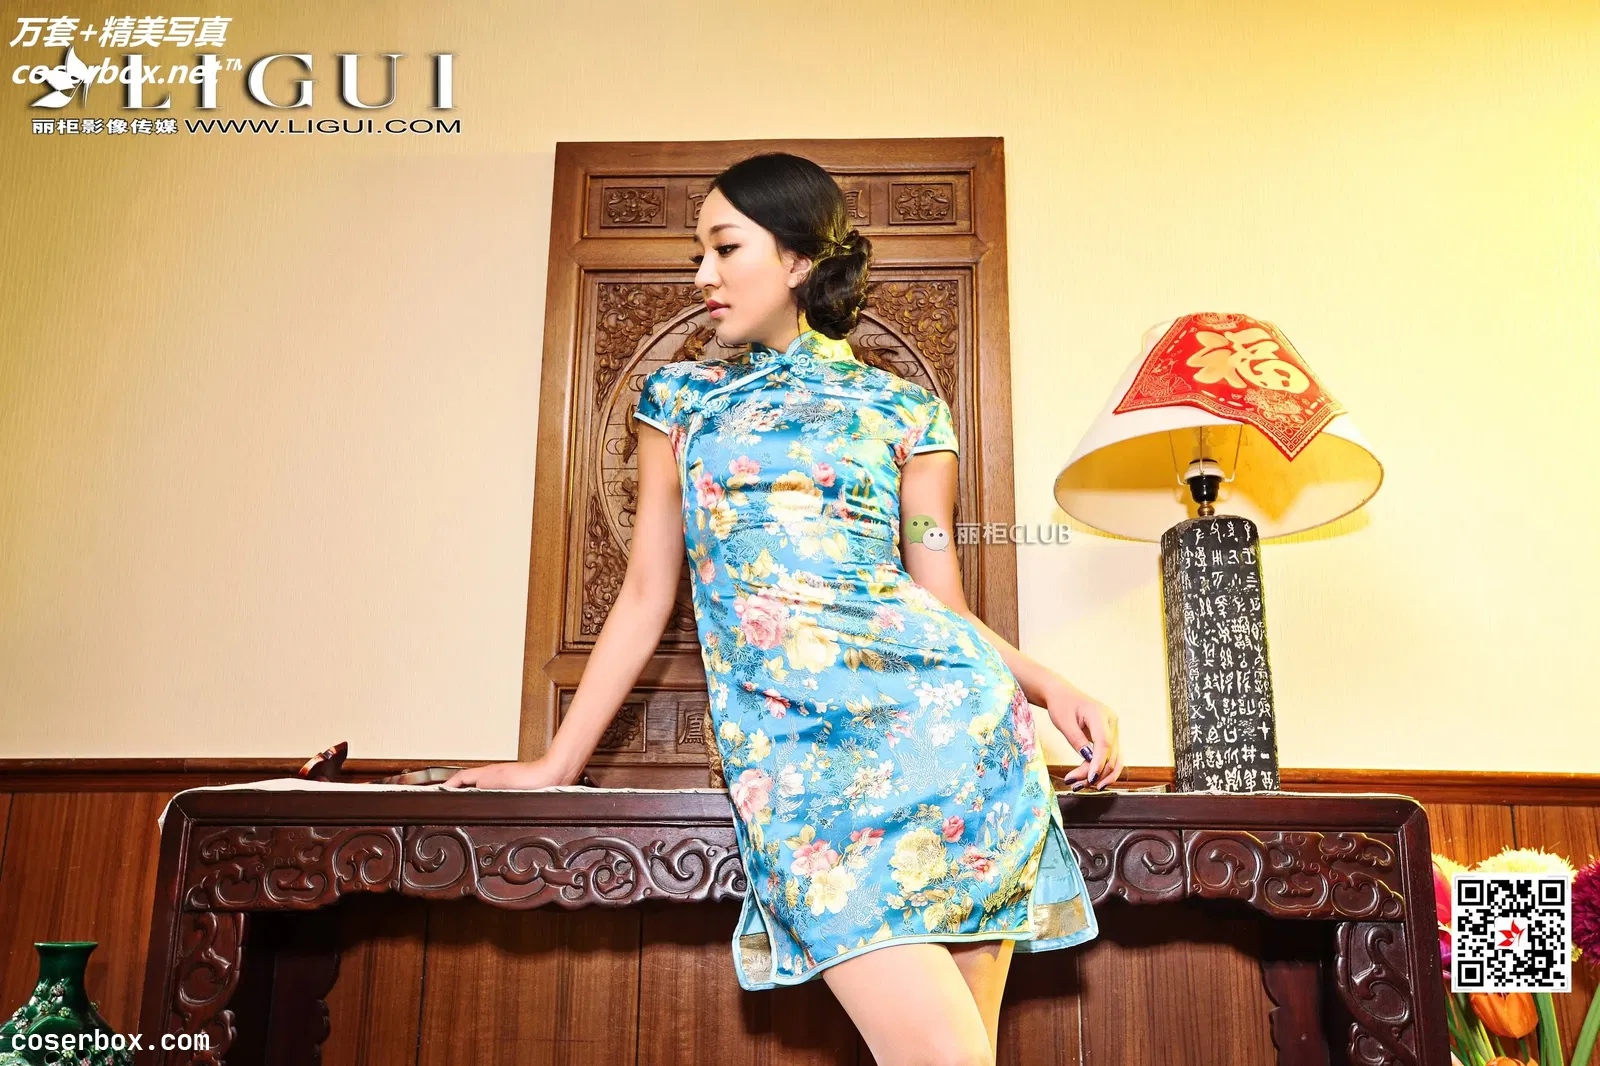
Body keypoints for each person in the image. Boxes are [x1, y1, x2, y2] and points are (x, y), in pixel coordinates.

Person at [444, 152, 1121, 1066]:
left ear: (799, 259)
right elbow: (646, 593)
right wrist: (558, 762)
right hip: (802, 761)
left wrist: (1049, 688)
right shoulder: (679, 402)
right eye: (699, 252)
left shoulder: (908, 413)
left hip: (958, 739)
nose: (702, 275)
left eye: (725, 248)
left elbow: (939, 601)